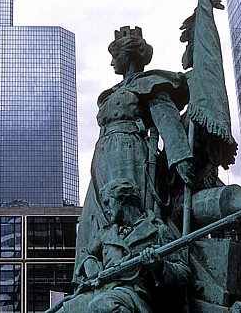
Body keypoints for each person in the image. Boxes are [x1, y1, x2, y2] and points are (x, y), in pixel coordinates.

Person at [75, 26, 194, 278]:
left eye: (115, 56)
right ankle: (95, 264)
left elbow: (167, 120)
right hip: (103, 158)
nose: (111, 62)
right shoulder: (111, 94)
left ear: (128, 56)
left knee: (127, 207)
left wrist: (179, 157)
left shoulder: (149, 84)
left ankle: (133, 265)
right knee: (95, 216)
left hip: (130, 156)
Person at [63, 179, 190, 312]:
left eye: (107, 203)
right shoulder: (105, 234)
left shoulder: (158, 230)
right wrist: (89, 262)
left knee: (103, 305)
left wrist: (159, 265)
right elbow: (86, 252)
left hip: (135, 296)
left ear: (121, 199)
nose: (106, 210)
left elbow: (183, 274)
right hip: (101, 290)